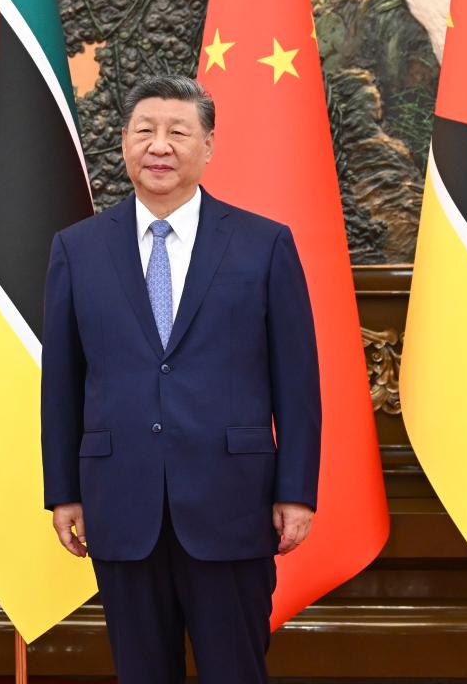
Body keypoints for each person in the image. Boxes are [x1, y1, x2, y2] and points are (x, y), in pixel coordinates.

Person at [41, 75, 321, 684]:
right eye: (145, 131)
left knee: (234, 671)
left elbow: (296, 381)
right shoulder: (78, 249)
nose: (159, 145)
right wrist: (63, 490)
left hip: (233, 504)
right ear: (123, 143)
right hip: (120, 503)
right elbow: (62, 382)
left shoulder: (264, 244)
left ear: (209, 146)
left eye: (178, 132)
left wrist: (296, 490)